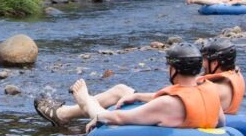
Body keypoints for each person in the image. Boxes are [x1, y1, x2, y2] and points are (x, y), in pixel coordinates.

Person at [34, 43, 224, 131]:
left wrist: (87, 102)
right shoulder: (210, 89)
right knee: (122, 91)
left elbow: (117, 117)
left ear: (174, 68)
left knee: (96, 109)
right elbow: (221, 123)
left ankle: (78, 104)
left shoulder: (167, 104)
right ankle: (63, 114)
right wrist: (139, 96)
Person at [197, 38, 246, 115]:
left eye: (204, 59)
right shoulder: (236, 74)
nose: (203, 63)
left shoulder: (216, 89)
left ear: (215, 63)